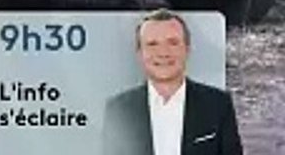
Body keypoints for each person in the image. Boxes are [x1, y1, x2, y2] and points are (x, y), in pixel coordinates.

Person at [100, 9, 241, 155]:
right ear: (140, 53)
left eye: (173, 43)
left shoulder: (218, 104)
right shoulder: (118, 109)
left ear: (187, 49)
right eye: (152, 44)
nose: (163, 53)